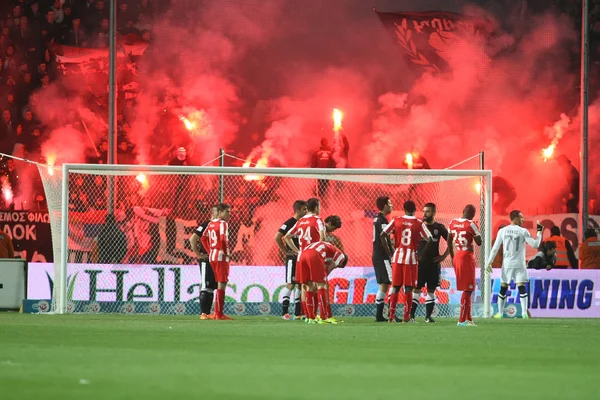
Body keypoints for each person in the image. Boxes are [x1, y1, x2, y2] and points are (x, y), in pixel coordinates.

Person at [381, 200, 433, 323]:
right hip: (411, 258)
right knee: (408, 287)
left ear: (404, 209)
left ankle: (391, 316)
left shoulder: (396, 220)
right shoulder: (419, 223)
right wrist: (421, 254)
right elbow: (430, 238)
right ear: (415, 209)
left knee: (395, 287)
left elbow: (383, 234)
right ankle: (406, 317)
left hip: (397, 256)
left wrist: (390, 252)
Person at [486, 210, 543, 320]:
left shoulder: (502, 231)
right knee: (521, 287)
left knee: (503, 288)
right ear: (515, 218)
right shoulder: (523, 231)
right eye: (521, 217)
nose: (523, 219)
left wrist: (489, 262)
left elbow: (495, 248)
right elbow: (535, 244)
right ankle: (524, 313)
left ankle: (500, 313)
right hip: (520, 264)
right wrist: (539, 232)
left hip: (507, 265)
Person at [284, 198, 326, 322]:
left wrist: (297, 251)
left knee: (305, 285)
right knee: (319, 284)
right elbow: (322, 237)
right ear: (317, 207)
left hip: (301, 256)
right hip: (314, 254)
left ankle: (307, 315)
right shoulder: (318, 220)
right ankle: (317, 314)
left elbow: (287, 237)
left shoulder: (300, 221)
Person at [410, 202, 449, 323]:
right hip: (420, 264)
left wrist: (443, 256)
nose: (424, 213)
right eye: (423, 211)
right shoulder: (418, 226)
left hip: (433, 264)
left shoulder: (439, 228)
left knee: (431, 290)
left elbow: (451, 242)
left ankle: (428, 317)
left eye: (427, 211)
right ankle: (411, 316)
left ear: (433, 212)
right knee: (416, 289)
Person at [296, 241, 348, 324]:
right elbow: (328, 270)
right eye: (338, 266)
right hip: (314, 254)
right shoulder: (341, 257)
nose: (337, 267)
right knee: (322, 285)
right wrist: (320, 280)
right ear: (342, 263)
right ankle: (323, 317)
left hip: (302, 255)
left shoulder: (330, 251)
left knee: (309, 287)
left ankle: (310, 317)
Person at [448, 205, 482, 327]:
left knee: (468, 288)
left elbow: (448, 239)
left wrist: (452, 256)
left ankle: (469, 319)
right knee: (468, 289)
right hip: (467, 256)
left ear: (463, 211)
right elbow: (479, 243)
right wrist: (477, 232)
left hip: (457, 255)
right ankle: (461, 320)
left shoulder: (452, 222)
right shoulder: (471, 224)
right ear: (473, 214)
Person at [274, 200, 307, 320]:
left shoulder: (304, 223)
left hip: (302, 258)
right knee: (291, 284)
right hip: (292, 258)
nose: (306, 211)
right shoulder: (289, 223)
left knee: (300, 284)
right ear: (297, 210)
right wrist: (285, 251)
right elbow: (277, 237)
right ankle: (284, 312)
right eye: (304, 209)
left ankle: (298, 313)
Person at [200, 203, 232, 320]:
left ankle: (217, 312)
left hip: (212, 256)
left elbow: (203, 238)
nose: (229, 214)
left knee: (219, 282)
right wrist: (226, 252)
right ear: (220, 212)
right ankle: (218, 313)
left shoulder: (211, 224)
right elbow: (223, 239)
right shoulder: (223, 224)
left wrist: (210, 251)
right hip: (220, 256)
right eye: (227, 212)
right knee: (221, 283)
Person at [190, 205, 219, 320]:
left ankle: (208, 313)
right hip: (206, 260)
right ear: (215, 213)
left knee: (211, 286)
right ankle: (203, 313)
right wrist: (199, 254)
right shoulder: (206, 225)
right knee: (206, 286)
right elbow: (193, 238)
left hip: (216, 259)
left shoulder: (220, 227)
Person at [372, 196, 393, 322]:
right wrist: (390, 253)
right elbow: (383, 238)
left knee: (384, 285)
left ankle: (379, 315)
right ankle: (391, 313)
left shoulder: (377, 219)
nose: (392, 205)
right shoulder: (383, 220)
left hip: (377, 255)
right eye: (390, 203)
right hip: (382, 256)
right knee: (392, 283)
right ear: (385, 205)